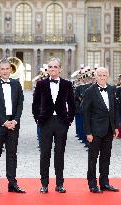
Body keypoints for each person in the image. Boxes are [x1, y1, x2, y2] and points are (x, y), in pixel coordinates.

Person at [32, 57, 75, 193]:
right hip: (45, 122)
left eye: (55, 67)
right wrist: (38, 119)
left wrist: (68, 121)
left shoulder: (67, 84)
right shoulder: (41, 84)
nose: (52, 69)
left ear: (60, 69)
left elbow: (72, 105)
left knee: (59, 154)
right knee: (44, 154)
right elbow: (35, 104)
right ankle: (44, 184)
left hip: (62, 122)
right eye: (50, 67)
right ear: (47, 69)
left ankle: (59, 184)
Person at [0, 58, 25, 194]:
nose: (5, 71)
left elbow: (20, 104)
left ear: (10, 70)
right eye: (2, 69)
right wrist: (4, 122)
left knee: (12, 155)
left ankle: (12, 183)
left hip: (13, 125)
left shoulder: (17, 85)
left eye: (7, 68)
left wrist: (14, 121)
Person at [82, 67, 119, 193]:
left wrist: (115, 127)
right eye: (100, 75)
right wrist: (88, 132)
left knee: (106, 157)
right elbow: (85, 113)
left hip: (108, 130)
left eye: (104, 75)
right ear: (95, 76)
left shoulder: (111, 89)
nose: (102, 77)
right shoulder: (89, 91)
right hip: (94, 131)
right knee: (93, 158)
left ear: (107, 76)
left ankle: (104, 183)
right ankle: (92, 184)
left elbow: (114, 109)